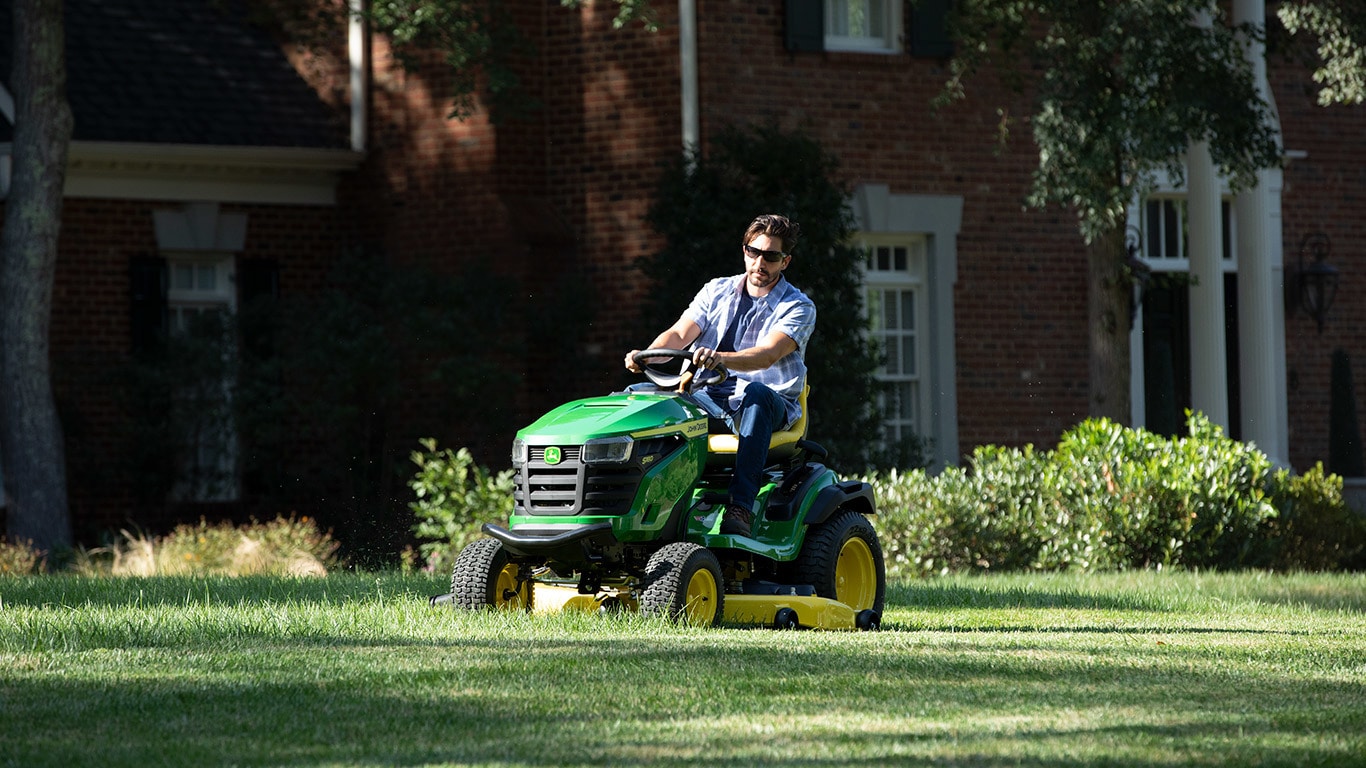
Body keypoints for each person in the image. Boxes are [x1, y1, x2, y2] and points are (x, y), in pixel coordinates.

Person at [625, 214, 815, 536]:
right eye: (753, 252)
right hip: (704, 398)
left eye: (770, 256)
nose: (760, 262)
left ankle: (740, 507)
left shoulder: (798, 306)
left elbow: (767, 355)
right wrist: (645, 355)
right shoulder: (716, 290)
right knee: (637, 397)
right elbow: (679, 333)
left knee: (756, 396)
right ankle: (632, 504)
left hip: (765, 404)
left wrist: (720, 359)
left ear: (785, 262)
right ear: (744, 252)